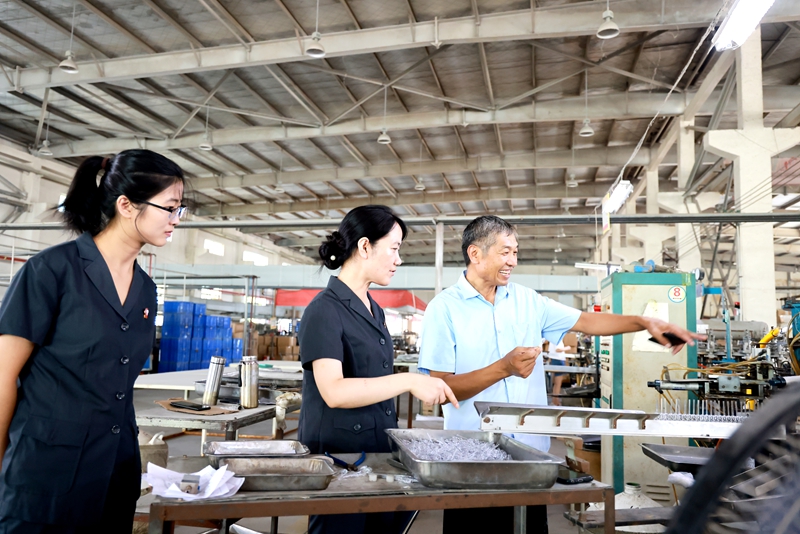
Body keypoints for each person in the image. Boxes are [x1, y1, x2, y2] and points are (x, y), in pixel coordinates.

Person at [418, 215, 704, 534]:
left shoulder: (528, 301)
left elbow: (587, 322)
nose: (513, 260)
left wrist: (643, 321)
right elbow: (439, 388)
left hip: (530, 460)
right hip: (471, 462)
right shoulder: (444, 309)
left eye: (516, 252)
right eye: (505, 252)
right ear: (475, 254)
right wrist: (503, 368)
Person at [0, 150, 185, 533]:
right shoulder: (51, 271)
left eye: (179, 210)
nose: (175, 221)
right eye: (170, 208)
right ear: (126, 205)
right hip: (44, 472)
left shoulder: (146, 290)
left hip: (114, 473)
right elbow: (3, 375)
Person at [298, 205, 458, 534]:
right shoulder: (324, 311)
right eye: (395, 249)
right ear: (365, 246)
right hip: (338, 461)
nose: (399, 260)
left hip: (376, 455)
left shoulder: (375, 309)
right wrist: (409, 380)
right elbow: (334, 392)